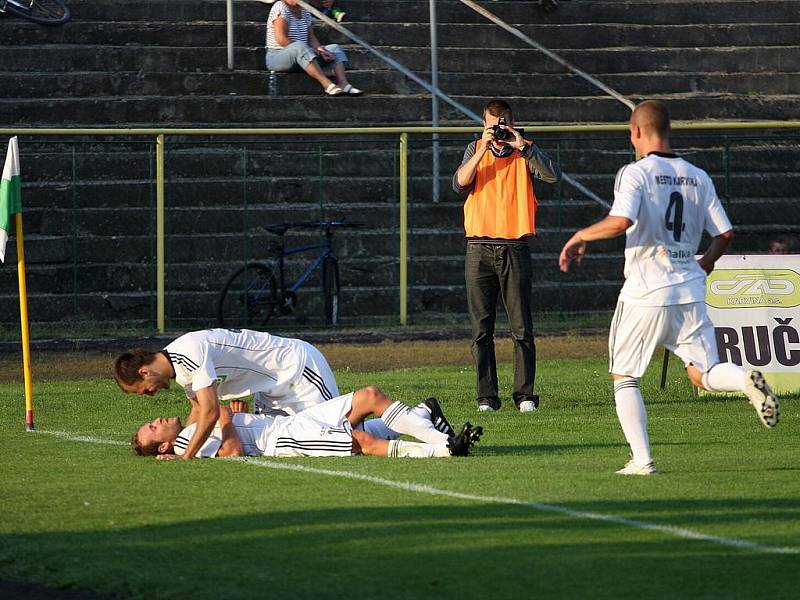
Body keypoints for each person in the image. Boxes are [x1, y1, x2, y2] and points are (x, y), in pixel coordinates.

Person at [558, 99, 780, 476]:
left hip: (646, 290)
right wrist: (706, 262)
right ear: (669, 130)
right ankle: (745, 379)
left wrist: (581, 235)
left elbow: (621, 219)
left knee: (625, 376)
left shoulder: (635, 173)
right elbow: (725, 233)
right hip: (690, 290)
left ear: (637, 132)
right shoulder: (697, 175)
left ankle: (642, 460)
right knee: (702, 373)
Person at [114, 328, 454, 460]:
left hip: (294, 370)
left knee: (343, 435)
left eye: (142, 390)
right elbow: (198, 416)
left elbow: (210, 411)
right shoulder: (181, 368)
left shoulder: (188, 351)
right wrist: (186, 444)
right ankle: (424, 416)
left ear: (145, 371)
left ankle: (427, 428)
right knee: (331, 437)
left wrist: (185, 458)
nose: (150, 395)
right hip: (271, 389)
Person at [453, 98, 562, 413]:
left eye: (503, 125)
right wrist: (483, 149)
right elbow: (460, 183)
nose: (498, 130)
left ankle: (525, 394)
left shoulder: (525, 150)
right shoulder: (475, 149)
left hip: (514, 246)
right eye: (492, 125)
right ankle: (487, 396)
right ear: (483, 124)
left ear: (512, 123)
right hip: (478, 247)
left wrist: (523, 146)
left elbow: (553, 176)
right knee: (481, 329)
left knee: (522, 328)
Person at [132, 386, 483, 460]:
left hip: (290, 423)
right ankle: (445, 449)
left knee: (370, 396)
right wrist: (225, 416)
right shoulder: (184, 444)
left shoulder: (191, 432)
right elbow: (234, 452)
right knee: (359, 441)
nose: (156, 420)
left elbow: (232, 435)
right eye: (152, 428)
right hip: (283, 442)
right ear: (163, 445)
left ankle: (425, 416)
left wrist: (234, 416)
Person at [264, 0, 362, 96]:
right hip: (277, 56)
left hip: (302, 55)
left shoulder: (305, 11)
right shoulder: (281, 7)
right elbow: (281, 39)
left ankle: (343, 83)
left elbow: (311, 39)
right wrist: (306, 50)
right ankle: (327, 84)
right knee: (300, 46)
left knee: (335, 48)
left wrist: (320, 50)